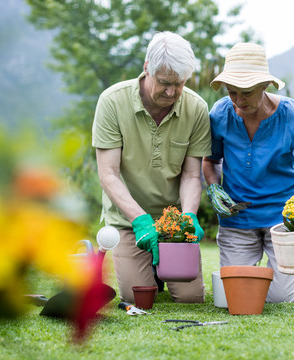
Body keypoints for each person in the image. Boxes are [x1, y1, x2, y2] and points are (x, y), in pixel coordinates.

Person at [202, 43, 294, 303]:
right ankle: (274, 272)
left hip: (283, 220)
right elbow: (210, 161)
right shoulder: (220, 113)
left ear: (265, 86)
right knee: (233, 297)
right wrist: (214, 187)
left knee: (278, 298)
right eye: (232, 92)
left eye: (246, 93)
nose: (239, 101)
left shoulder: (290, 115)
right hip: (238, 219)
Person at [92, 31, 211, 303]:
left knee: (191, 298)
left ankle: (160, 268)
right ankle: (151, 270)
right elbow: (108, 174)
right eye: (164, 83)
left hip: (173, 224)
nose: (171, 92)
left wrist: (189, 218)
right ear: (147, 68)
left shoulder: (196, 108)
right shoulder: (112, 102)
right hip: (128, 220)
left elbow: (192, 174)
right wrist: (140, 221)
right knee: (137, 298)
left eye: (179, 84)